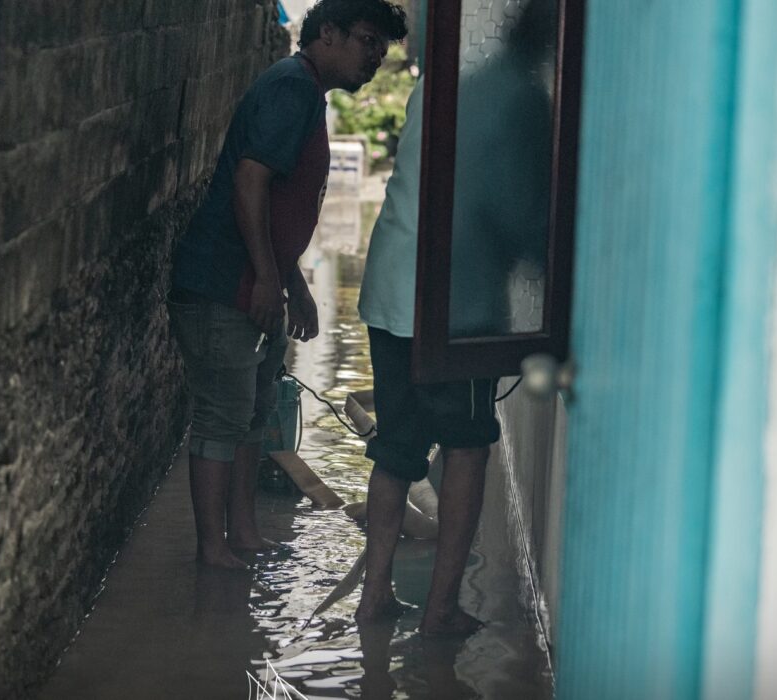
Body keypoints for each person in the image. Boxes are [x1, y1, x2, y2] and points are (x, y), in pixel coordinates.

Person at [170, 0, 409, 569]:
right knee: (221, 419)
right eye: (367, 41)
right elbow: (250, 183)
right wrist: (265, 279)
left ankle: (244, 534)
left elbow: (278, 206)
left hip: (254, 281)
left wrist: (292, 285)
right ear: (327, 34)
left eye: (382, 48)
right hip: (222, 283)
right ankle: (212, 549)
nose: (376, 56)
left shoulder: (306, 92)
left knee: (254, 414)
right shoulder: (291, 88)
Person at [354, 0, 556, 633]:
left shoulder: (445, 86)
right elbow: (515, 209)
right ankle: (441, 609)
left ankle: (374, 596)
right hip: (452, 307)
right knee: (468, 446)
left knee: (396, 448)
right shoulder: (521, 99)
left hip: (392, 289)